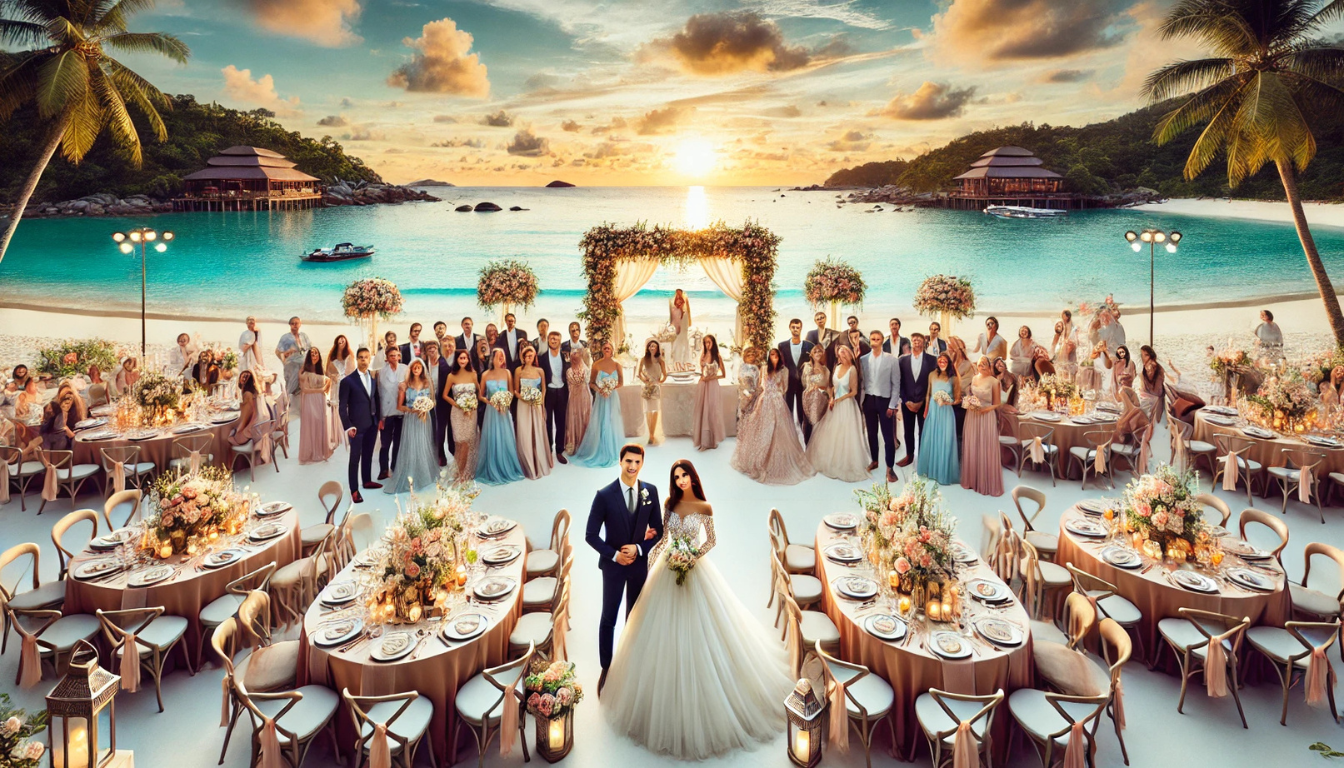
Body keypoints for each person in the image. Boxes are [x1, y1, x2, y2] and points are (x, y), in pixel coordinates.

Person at [603, 459, 791, 758]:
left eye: (685, 475)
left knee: (709, 631)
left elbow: (712, 541)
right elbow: (664, 538)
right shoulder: (669, 503)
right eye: (676, 476)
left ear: (693, 476)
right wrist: (651, 565)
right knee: (655, 632)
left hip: (695, 568)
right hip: (668, 568)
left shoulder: (705, 507)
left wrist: (692, 556)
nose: (681, 481)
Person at [586, 445, 664, 695]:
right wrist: (615, 555)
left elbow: (658, 531)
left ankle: (631, 666)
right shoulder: (604, 495)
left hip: (639, 566)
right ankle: (606, 668)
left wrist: (640, 549)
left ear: (642, 463)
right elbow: (590, 535)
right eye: (628, 461)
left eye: (637, 462)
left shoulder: (650, 491)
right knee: (609, 617)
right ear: (620, 462)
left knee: (635, 617)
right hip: (613, 568)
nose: (632, 466)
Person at [732, 348, 815, 485]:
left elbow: (785, 388)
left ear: (779, 356)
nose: (773, 357)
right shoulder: (764, 368)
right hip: (764, 400)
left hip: (776, 400)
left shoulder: (784, 370)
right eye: (771, 354)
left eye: (776, 355)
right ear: (769, 356)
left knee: (779, 431)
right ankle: (759, 461)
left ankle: (777, 461)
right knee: (761, 430)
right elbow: (760, 385)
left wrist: (775, 394)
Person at [806, 345, 870, 482]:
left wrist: (839, 399)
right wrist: (831, 397)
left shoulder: (852, 369)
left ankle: (844, 463)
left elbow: (854, 391)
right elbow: (833, 386)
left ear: (848, 354)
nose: (841, 355)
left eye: (843, 353)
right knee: (831, 433)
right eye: (840, 353)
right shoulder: (837, 367)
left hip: (847, 405)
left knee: (845, 434)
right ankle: (831, 461)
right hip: (834, 403)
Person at [385, 359, 439, 494]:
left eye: (419, 367)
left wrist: (426, 407)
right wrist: (413, 409)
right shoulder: (405, 385)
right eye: (414, 367)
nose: (416, 369)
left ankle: (424, 473)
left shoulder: (427, 383)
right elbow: (399, 406)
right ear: (410, 369)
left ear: (422, 369)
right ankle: (411, 474)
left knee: (423, 444)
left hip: (424, 419)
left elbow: (433, 401)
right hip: (411, 419)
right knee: (412, 445)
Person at [571, 341, 624, 467]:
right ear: (602, 350)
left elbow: (621, 382)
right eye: (604, 348)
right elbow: (591, 383)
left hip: (612, 397)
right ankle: (600, 448)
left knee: (612, 421)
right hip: (601, 398)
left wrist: (610, 388)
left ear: (612, 350)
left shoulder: (617, 365)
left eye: (608, 348)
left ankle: (612, 448)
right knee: (601, 421)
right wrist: (600, 390)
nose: (606, 349)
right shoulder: (596, 365)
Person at [477, 349, 525, 485]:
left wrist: (505, 403)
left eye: (503, 357)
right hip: (491, 411)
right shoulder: (485, 374)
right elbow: (481, 395)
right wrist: (491, 402)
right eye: (499, 357)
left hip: (503, 411)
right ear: (492, 358)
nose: (501, 359)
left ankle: (507, 466)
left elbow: (510, 392)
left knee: (505, 437)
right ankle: (493, 467)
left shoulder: (507, 373)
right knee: (492, 437)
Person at [339, 348, 382, 503]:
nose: (364, 360)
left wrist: (379, 419)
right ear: (357, 359)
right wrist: (348, 426)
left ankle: (367, 480)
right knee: (355, 458)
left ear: (370, 359)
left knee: (369, 454)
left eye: (366, 357)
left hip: (372, 423)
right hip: (356, 427)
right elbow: (342, 407)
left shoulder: (372, 378)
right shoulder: (347, 381)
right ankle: (354, 490)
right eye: (361, 358)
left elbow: (376, 399)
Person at [860, 330, 901, 482]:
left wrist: (892, 405)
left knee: (888, 437)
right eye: (872, 338)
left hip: (885, 401)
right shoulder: (863, 359)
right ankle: (875, 460)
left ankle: (890, 468)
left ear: (882, 341)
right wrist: (861, 401)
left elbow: (896, 384)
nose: (875, 341)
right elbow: (862, 382)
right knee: (871, 433)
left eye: (878, 339)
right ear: (870, 341)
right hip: (869, 400)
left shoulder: (892, 360)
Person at [960, 357, 1004, 497]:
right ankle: (973, 480)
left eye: (985, 364)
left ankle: (986, 483)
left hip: (986, 416)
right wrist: (969, 402)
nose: (983, 367)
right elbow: (972, 395)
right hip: (972, 416)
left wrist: (984, 410)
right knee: (973, 445)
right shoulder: (974, 379)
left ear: (990, 366)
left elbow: (997, 403)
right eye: (980, 364)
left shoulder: (994, 381)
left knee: (986, 447)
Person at [919, 353, 961, 485]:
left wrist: (947, 402)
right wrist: (926, 409)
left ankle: (943, 473)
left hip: (946, 412)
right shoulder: (931, 375)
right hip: (933, 410)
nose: (942, 363)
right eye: (940, 361)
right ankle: (930, 471)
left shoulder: (953, 378)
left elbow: (957, 399)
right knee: (931, 439)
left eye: (945, 361)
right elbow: (928, 393)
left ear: (948, 363)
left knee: (945, 440)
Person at [514, 345, 553, 480]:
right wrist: (524, 398)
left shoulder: (540, 371)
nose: (529, 358)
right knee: (525, 432)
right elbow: (515, 391)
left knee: (537, 430)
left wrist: (539, 402)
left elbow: (543, 389)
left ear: (534, 357)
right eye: (526, 356)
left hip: (536, 404)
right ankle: (527, 463)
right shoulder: (518, 370)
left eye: (531, 356)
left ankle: (539, 461)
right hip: (523, 404)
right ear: (523, 357)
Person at [898, 333, 936, 468]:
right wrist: (906, 400)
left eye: (919, 339)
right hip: (907, 402)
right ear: (911, 343)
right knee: (907, 431)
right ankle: (909, 456)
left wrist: (922, 401)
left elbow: (932, 383)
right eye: (914, 339)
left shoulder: (932, 360)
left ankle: (923, 457)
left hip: (923, 403)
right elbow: (899, 382)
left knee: (923, 431)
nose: (917, 342)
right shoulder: (902, 360)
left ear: (924, 342)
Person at [443, 350, 480, 485]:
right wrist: (457, 404)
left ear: (468, 359)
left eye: (465, 358)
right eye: (460, 358)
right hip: (457, 412)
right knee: (459, 440)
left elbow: (478, 391)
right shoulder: (451, 376)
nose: (463, 360)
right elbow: (445, 395)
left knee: (468, 441)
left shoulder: (473, 374)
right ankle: (459, 470)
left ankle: (465, 473)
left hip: (471, 412)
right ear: (457, 360)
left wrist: (472, 403)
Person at [777, 319, 816, 440]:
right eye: (793, 327)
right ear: (789, 328)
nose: (795, 329)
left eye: (797, 327)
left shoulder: (809, 345)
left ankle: (806, 439)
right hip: (788, 384)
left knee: (803, 413)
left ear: (801, 328)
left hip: (803, 385)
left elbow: (814, 364)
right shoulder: (782, 345)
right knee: (787, 412)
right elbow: (780, 364)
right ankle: (788, 438)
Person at [227, 370, 274, 470]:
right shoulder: (253, 393)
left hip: (251, 433)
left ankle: (232, 468)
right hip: (257, 430)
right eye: (243, 376)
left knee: (227, 437)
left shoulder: (247, 394)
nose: (244, 378)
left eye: (246, 377)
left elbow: (244, 417)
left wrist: (238, 430)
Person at [297, 348, 333, 465]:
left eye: (316, 353)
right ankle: (311, 452)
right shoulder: (305, 372)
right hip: (310, 400)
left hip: (320, 400)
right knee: (312, 424)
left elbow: (328, 380)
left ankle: (320, 451)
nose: (314, 355)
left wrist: (325, 390)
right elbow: (304, 390)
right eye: (311, 354)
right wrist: (320, 390)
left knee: (319, 424)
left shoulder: (319, 370)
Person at [539, 332, 570, 464]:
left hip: (562, 391)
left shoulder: (565, 356)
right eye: (552, 338)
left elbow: (569, 371)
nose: (554, 341)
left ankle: (559, 451)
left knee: (561, 422)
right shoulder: (542, 358)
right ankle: (548, 450)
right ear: (548, 340)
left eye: (557, 339)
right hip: (549, 391)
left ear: (560, 341)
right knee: (547, 423)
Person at [376, 347, 406, 480]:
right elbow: (379, 394)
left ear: (399, 356)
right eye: (391, 355)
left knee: (398, 442)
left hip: (400, 412)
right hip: (386, 412)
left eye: (396, 355)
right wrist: (380, 416)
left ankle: (395, 466)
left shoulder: (405, 369)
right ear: (387, 358)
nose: (394, 357)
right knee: (385, 443)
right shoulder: (381, 372)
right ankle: (383, 469)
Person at [692, 335, 726, 451]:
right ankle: (703, 441)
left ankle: (712, 440)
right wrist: (703, 378)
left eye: (709, 342)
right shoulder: (702, 356)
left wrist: (710, 378)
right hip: (703, 385)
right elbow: (702, 373)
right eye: (705, 342)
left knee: (712, 411)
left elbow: (723, 375)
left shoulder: (718, 357)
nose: (707, 344)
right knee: (702, 411)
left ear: (713, 343)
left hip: (712, 386)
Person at [423, 341, 451, 466]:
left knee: (440, 429)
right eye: (429, 348)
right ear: (426, 351)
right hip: (426, 401)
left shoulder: (444, 364)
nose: (432, 350)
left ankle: (441, 454)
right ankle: (430, 455)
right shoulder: (424, 364)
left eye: (434, 347)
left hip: (441, 402)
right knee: (429, 429)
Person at [326, 335, 355, 452]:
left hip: (344, 384)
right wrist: (332, 376)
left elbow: (352, 373)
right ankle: (336, 435)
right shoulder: (332, 356)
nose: (341, 342)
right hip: (335, 384)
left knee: (344, 407)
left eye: (343, 340)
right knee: (335, 407)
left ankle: (345, 434)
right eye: (339, 340)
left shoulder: (349, 356)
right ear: (336, 342)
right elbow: (327, 371)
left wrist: (343, 379)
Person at [636, 339, 667, 445]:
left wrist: (659, 381)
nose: (652, 348)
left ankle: (653, 434)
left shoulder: (660, 360)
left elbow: (665, 375)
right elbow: (639, 373)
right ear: (647, 348)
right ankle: (650, 434)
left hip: (656, 387)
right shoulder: (644, 359)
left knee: (655, 410)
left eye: (654, 346)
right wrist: (644, 380)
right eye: (650, 346)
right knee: (648, 410)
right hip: (647, 387)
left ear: (657, 347)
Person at [274, 317, 311, 397]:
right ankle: (289, 406)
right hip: (291, 365)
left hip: (304, 365)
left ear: (300, 324)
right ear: (290, 325)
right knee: (291, 388)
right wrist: (284, 361)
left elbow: (310, 349)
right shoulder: (285, 337)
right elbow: (277, 351)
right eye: (292, 323)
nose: (295, 325)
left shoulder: (304, 336)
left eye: (296, 323)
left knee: (304, 387)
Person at [565, 348, 592, 455]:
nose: (574, 358)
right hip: (573, 398)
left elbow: (588, 383)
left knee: (585, 418)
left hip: (585, 397)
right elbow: (569, 387)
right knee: (574, 419)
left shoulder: (586, 370)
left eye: (576, 356)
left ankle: (585, 445)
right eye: (572, 356)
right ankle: (574, 444)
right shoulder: (568, 371)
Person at [947, 337, 975, 444]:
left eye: (949, 347)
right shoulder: (949, 364)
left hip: (961, 405)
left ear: (955, 349)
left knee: (959, 435)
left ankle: (959, 459)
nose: (947, 350)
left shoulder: (967, 365)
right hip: (949, 404)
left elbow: (963, 386)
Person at [801, 345, 830, 436]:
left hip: (822, 400)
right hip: (809, 399)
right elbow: (805, 382)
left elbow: (827, 384)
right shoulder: (808, 367)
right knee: (808, 425)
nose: (817, 353)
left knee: (820, 425)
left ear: (823, 353)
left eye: (820, 351)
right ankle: (808, 447)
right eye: (815, 352)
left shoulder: (826, 369)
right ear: (812, 354)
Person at [1138, 345, 1166, 423]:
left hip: (1154, 397)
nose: (1143, 357)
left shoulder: (1151, 365)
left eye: (1146, 355)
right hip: (1152, 395)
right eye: (1142, 355)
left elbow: (1152, 383)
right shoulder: (1148, 365)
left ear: (1151, 355)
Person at [736, 347, 763, 423]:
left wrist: (756, 392)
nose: (751, 357)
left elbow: (757, 381)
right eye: (749, 355)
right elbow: (741, 381)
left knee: (753, 414)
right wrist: (747, 393)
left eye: (752, 355)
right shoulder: (742, 367)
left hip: (754, 393)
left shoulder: (756, 368)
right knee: (744, 412)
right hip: (745, 393)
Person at [668, 289, 692, 371]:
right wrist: (671, 322)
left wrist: (689, 322)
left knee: (684, 339)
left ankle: (684, 361)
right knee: (678, 340)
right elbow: (671, 313)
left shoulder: (685, 298)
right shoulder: (672, 300)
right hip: (677, 319)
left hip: (684, 319)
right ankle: (677, 361)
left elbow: (688, 310)